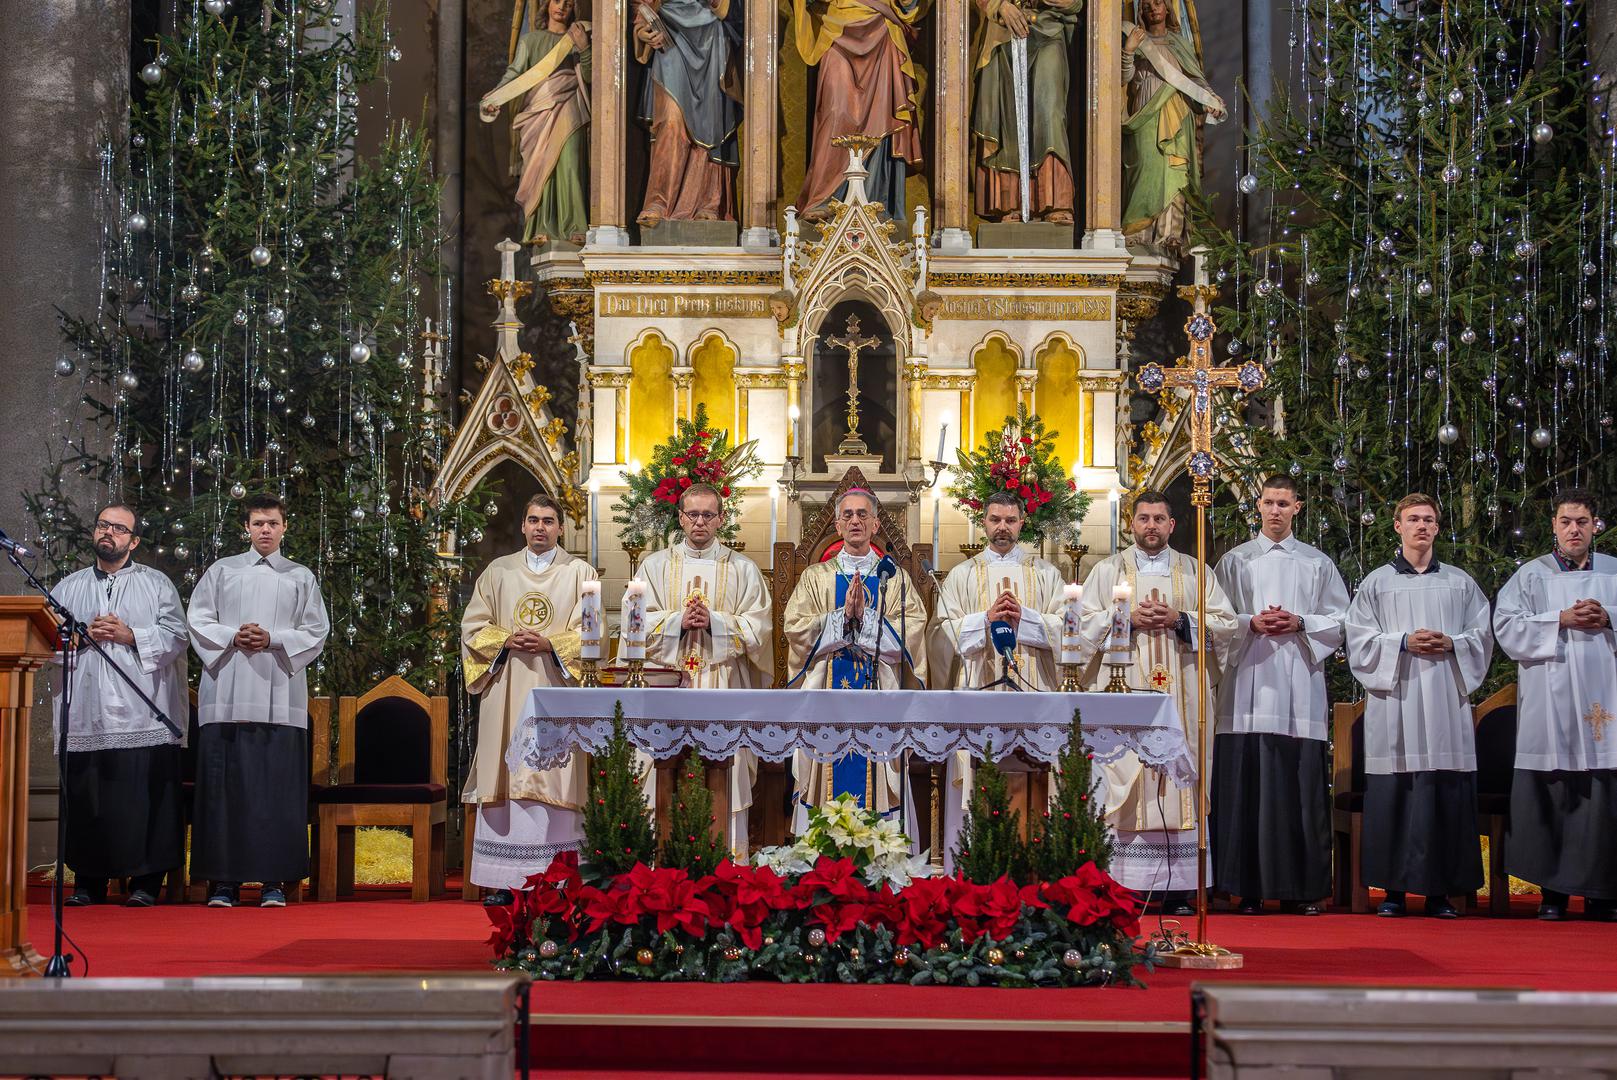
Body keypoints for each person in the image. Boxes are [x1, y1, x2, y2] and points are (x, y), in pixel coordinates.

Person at [1077, 490, 1235, 913]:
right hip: (1124, 689)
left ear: (1172, 525)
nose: (1151, 526)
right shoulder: (1107, 570)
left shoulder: (1196, 571)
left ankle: (1179, 888)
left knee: (1182, 773)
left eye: (1159, 518)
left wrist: (1179, 619)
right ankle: (1125, 884)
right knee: (1126, 773)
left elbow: (1226, 625)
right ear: (1131, 523)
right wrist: (1123, 618)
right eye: (1143, 518)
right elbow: (1079, 625)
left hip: (1181, 691)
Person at [1345, 493, 1492, 918]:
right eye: (1413, 519)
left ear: (1437, 529)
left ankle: (1440, 893)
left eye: (1429, 520)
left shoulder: (1460, 583)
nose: (1421, 526)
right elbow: (1358, 641)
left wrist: (1452, 642)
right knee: (1395, 794)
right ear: (1398, 527)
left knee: (1442, 791)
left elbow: (1482, 637)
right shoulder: (1376, 583)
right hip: (1397, 701)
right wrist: (1403, 641)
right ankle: (1392, 890)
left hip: (1445, 700)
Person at [1211, 475, 1349, 915]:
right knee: (1246, 789)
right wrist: (1250, 622)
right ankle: (1245, 888)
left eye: (1284, 503)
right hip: (1245, 691)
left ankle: (1303, 890)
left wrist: (1302, 622)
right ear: (1258, 505)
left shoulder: (1316, 563)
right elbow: (1215, 621)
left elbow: (1343, 621)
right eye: (1269, 502)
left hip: (1297, 691)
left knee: (1299, 790)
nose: (1275, 510)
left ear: (1297, 508)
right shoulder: (1234, 562)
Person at [187, 494, 330, 908]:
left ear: (284, 528)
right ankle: (226, 883)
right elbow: (197, 619)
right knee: (224, 791)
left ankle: (273, 881)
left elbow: (316, 629)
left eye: (272, 523)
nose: (265, 530)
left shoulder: (300, 576)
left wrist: (274, 638)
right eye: (257, 523)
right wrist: (234, 635)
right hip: (228, 693)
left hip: (280, 695)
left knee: (276, 792)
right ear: (246, 529)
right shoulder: (222, 571)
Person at [461, 494, 596, 905]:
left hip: (557, 694)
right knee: (504, 776)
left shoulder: (579, 574)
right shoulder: (498, 572)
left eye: (549, 521)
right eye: (534, 520)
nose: (541, 527)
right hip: (506, 691)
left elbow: (593, 634)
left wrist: (551, 643)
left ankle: (556, 879)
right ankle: (503, 882)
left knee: (556, 780)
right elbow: (471, 628)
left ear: (560, 528)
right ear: (522, 525)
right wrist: (505, 639)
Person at [52, 504, 188, 908]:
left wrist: (131, 635)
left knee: (145, 798)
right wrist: (72, 639)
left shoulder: (156, 583)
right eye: (102, 526)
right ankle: (88, 882)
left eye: (118, 528)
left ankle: (146, 882)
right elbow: (45, 640)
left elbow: (178, 636)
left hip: (143, 708)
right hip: (86, 712)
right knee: (86, 799)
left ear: (134, 540)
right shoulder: (68, 587)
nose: (108, 533)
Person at [626, 483, 772, 855]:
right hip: (668, 687)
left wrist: (715, 622)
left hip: (723, 686)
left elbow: (760, 628)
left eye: (708, 514)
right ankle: (662, 860)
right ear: (680, 517)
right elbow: (633, 623)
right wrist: (677, 621)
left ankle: (727, 858)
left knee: (726, 772)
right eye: (693, 514)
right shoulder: (653, 566)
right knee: (664, 769)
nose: (700, 522)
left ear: (721, 519)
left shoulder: (743, 569)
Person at [1494, 488, 1617, 921]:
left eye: (1582, 522)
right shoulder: (1531, 576)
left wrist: (1608, 617)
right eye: (1566, 521)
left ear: (1594, 526)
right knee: (1552, 790)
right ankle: (1553, 894)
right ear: (1553, 526)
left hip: (1606, 701)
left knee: (1603, 797)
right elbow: (1506, 628)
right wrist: (1559, 619)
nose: (1574, 530)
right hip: (1549, 699)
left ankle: (1603, 894)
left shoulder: (1614, 573)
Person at [932, 490, 1070, 868]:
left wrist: (1024, 618)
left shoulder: (1046, 575)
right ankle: (971, 869)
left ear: (1022, 523)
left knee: (1035, 772)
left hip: (1035, 696)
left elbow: (1070, 631)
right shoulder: (961, 576)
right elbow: (940, 637)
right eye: (995, 520)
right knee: (977, 777)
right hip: (978, 694)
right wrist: (985, 620)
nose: (1003, 528)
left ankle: (1037, 867)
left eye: (1010, 521)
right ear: (983, 523)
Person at [782, 488, 928, 824]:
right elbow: (795, 628)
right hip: (825, 698)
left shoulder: (894, 577)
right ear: (837, 524)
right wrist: (841, 619)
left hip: (879, 697)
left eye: (863, 514)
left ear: (876, 523)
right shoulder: (815, 577)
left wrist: (865, 621)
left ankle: (884, 851)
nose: (855, 520)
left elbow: (913, 632)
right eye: (847, 515)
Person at [789, 0, 930, 222]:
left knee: (882, 119)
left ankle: (876, 204)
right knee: (836, 112)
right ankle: (823, 198)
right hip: (837, 26)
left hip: (882, 31)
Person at [480, 0, 592, 247]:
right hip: (538, 110)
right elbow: (515, 73)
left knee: (570, 163)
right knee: (541, 164)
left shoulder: (578, 38)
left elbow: (590, 76)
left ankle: (576, 225)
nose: (561, 7)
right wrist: (497, 95)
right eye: (556, 0)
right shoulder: (530, 41)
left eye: (568, 3)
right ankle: (542, 225)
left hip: (569, 105)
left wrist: (584, 49)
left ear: (574, 9)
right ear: (547, 5)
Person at [1120, 0, 1225, 255]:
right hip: (1145, 113)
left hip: (1178, 115)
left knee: (1175, 172)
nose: (1152, 9)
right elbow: (1122, 80)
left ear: (1168, 9)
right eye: (1146, 5)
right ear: (1140, 11)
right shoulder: (1134, 38)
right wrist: (1128, 51)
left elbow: (1195, 80)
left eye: (1158, 3)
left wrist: (1212, 101)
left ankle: (1170, 234)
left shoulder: (1179, 43)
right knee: (1146, 168)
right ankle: (1139, 232)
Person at [633, 0, 743, 227]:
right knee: (670, 121)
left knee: (711, 122)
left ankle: (709, 201)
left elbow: (744, 11)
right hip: (670, 35)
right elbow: (640, 5)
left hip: (711, 35)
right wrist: (641, 29)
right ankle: (659, 201)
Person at [971, 0, 1082, 224]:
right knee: (1006, 118)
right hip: (1002, 31)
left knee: (1049, 111)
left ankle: (1054, 200)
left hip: (1050, 29)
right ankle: (1009, 202)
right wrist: (1000, 5)